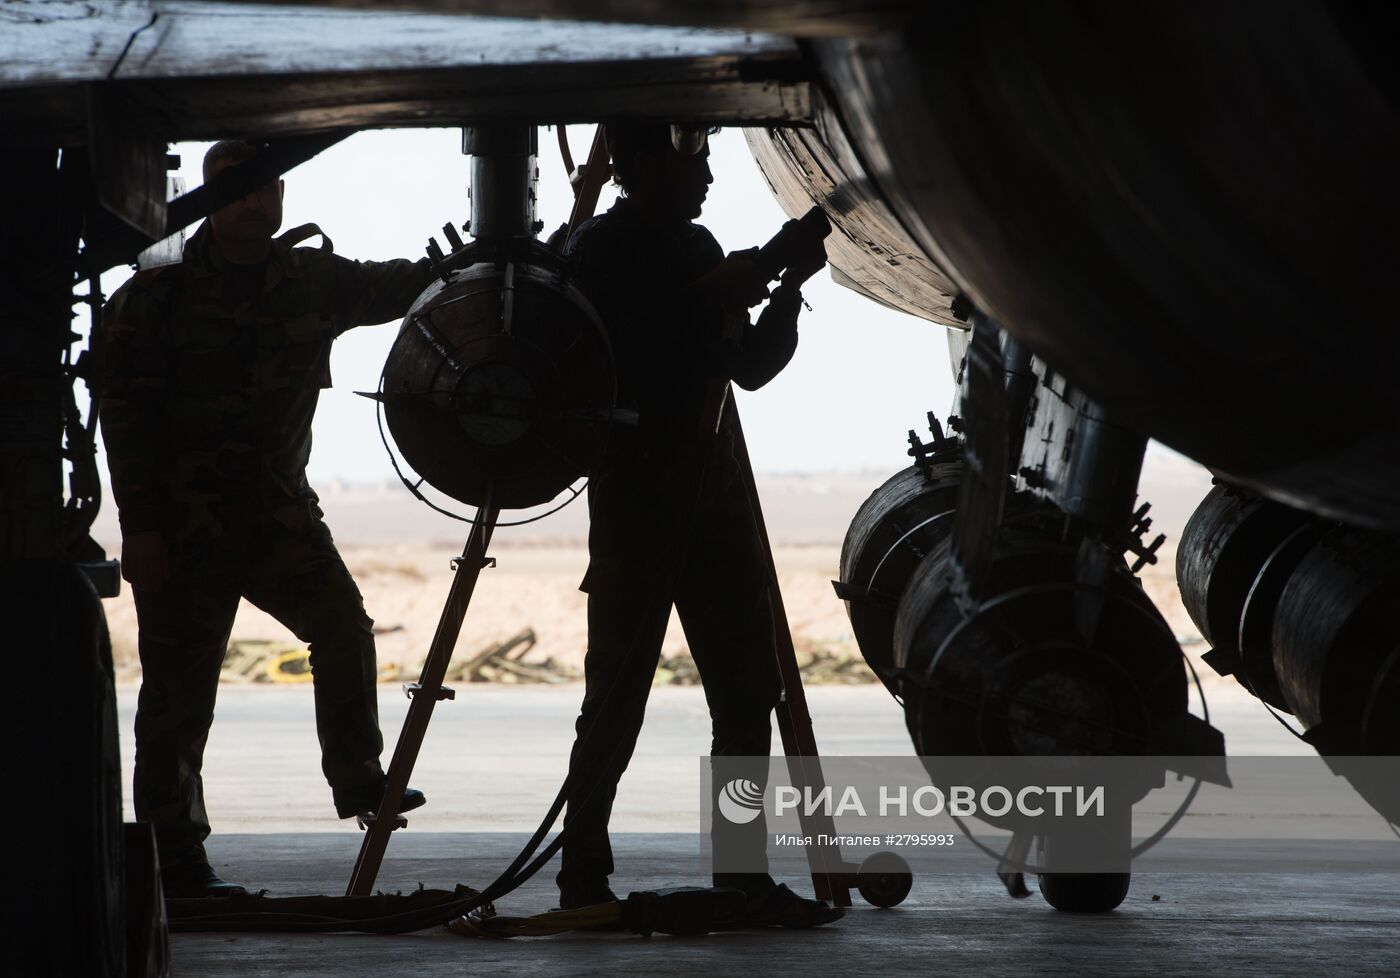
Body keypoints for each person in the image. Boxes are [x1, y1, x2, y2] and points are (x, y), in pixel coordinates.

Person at [100, 140, 435, 898]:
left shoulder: (309, 280)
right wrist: (141, 528)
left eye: (268, 189)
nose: (257, 202)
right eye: (238, 189)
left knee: (344, 628)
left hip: (279, 516)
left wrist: (478, 260)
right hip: (184, 529)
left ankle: (356, 777)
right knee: (179, 700)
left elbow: (396, 287)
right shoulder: (157, 297)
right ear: (205, 201)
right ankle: (175, 863)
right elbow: (125, 420)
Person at [555, 123, 839, 926]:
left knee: (748, 693)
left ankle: (741, 877)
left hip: (708, 494)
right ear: (646, 165)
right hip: (638, 493)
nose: (709, 176)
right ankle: (581, 879)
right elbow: (606, 348)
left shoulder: (698, 244)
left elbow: (747, 366)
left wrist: (783, 291)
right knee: (614, 700)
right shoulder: (602, 250)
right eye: (697, 160)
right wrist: (711, 293)